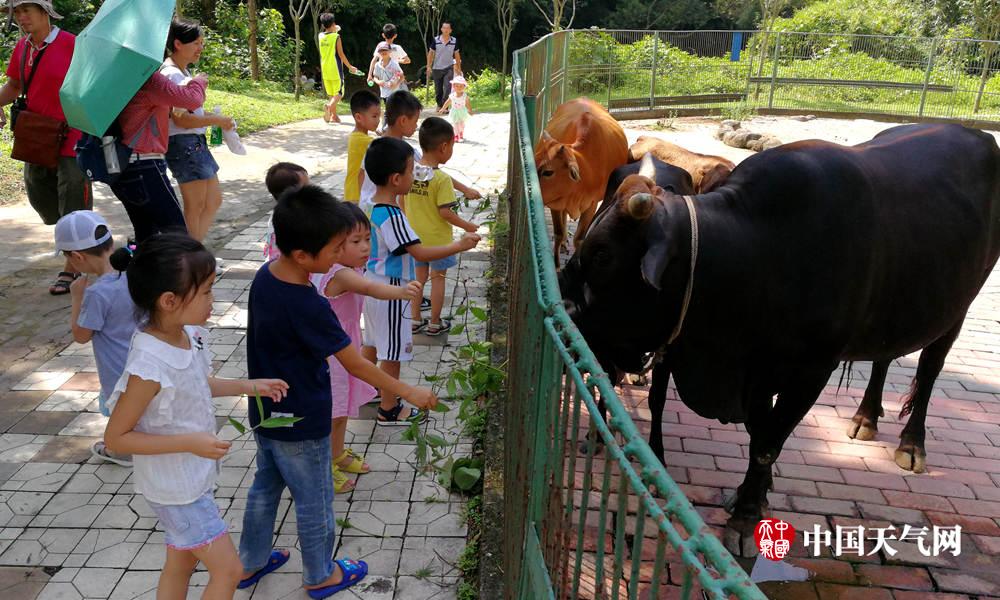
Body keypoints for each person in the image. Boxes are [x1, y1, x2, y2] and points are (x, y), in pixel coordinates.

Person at [241, 184, 437, 598]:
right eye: (333, 250)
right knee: (315, 498)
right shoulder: (310, 304)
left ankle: (250, 561)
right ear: (301, 256)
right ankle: (320, 574)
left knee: (265, 485)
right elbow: (355, 363)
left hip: (265, 409)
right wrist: (408, 391)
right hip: (303, 417)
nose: (337, 257)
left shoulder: (264, 278)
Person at [103, 232, 289, 599]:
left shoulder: (188, 334)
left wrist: (250, 386)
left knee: (182, 560)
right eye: (205, 291)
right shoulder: (148, 364)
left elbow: (197, 384)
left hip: (188, 480)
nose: (212, 299)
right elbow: (115, 438)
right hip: (176, 489)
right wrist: (190, 441)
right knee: (229, 570)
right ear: (169, 300)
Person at [362, 137, 478, 424]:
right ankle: (390, 407)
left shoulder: (369, 205)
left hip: (370, 286)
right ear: (396, 179)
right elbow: (419, 251)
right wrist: (459, 246)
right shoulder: (391, 215)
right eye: (412, 171)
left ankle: (365, 390)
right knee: (392, 352)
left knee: (373, 343)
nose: (415, 176)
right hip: (392, 290)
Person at [312, 202, 422, 492]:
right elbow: (372, 288)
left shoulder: (351, 267)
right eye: (356, 241)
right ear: (334, 245)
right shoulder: (338, 273)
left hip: (345, 347)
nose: (365, 246)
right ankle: (323, 468)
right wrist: (402, 291)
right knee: (334, 412)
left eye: (367, 238)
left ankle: (337, 454)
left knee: (342, 410)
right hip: (332, 355)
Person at [0, 0, 92, 295]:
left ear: (45, 13)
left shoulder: (72, 44)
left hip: (73, 134)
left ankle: (74, 267)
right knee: (39, 193)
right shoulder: (23, 48)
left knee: (73, 197)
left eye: (27, 10)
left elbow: (92, 85)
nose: (21, 17)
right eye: (17, 12)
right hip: (37, 135)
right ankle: (84, 242)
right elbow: (14, 87)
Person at [54, 211, 137, 467]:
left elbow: (81, 335)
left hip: (117, 367)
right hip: (147, 358)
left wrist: (77, 297)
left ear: (77, 257)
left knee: (121, 410)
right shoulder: (136, 272)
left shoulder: (97, 292)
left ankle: (123, 451)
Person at [161, 18, 235, 243]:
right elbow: (181, 118)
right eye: (196, 43)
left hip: (193, 144)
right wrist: (217, 120)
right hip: (183, 145)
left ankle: (195, 252)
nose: (200, 48)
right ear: (178, 44)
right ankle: (190, 259)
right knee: (196, 206)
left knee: (212, 201)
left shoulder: (181, 72)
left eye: (201, 43)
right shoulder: (172, 74)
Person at [112, 70, 206, 243]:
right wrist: (198, 81)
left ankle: (143, 270)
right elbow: (192, 100)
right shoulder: (147, 77)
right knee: (177, 234)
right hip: (144, 166)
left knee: (147, 234)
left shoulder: (116, 76)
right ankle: (188, 269)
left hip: (121, 165)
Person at [405, 117, 478, 336]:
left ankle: (415, 320)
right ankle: (435, 322)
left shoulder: (410, 173)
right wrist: (468, 226)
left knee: (418, 280)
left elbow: (402, 202)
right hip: (438, 242)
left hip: (415, 239)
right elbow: (445, 212)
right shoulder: (442, 179)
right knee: (438, 279)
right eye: (452, 146)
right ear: (444, 147)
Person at [318, 13, 360, 124]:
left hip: (325, 69)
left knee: (332, 94)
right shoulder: (336, 37)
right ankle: (329, 106)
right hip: (335, 69)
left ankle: (334, 116)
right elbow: (341, 54)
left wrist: (334, 29)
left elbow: (329, 35)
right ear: (333, 24)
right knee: (339, 93)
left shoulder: (320, 36)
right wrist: (350, 67)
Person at [262, 162, 309, 262]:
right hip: (290, 267)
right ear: (289, 194)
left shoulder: (282, 212)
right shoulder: (293, 219)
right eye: (306, 187)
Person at [344, 90, 379, 205]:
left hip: (353, 192)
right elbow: (383, 147)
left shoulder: (357, 136)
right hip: (357, 195)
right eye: (374, 116)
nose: (378, 120)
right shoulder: (363, 140)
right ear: (358, 117)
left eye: (379, 116)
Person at [426, 22, 461, 109]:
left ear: (450, 30)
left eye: (447, 28)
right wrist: (428, 66)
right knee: (438, 90)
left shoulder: (454, 41)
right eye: (444, 28)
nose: (445, 30)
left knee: (448, 87)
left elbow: (457, 54)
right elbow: (430, 53)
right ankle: (439, 105)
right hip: (436, 68)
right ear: (441, 29)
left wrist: (459, 68)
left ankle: (444, 107)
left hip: (449, 67)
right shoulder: (436, 40)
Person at [371, 42, 404, 132]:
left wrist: (396, 84)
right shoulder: (378, 65)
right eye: (381, 51)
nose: (383, 52)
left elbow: (401, 76)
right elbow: (375, 77)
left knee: (389, 110)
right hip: (384, 92)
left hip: (394, 92)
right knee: (391, 110)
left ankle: (384, 129)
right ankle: (394, 127)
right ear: (378, 53)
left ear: (389, 51)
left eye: (385, 50)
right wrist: (378, 82)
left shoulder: (394, 64)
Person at [366, 23, 410, 90]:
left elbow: (374, 60)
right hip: (396, 76)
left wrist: (369, 75)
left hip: (384, 77)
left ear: (383, 35)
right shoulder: (397, 48)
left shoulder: (380, 46)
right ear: (395, 36)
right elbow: (408, 60)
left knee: (388, 96)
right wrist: (397, 60)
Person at [438, 75, 472, 142]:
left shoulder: (465, 96)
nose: (459, 88)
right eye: (457, 86)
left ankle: (461, 133)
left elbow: (467, 103)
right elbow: (447, 102)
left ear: (464, 87)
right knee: (455, 124)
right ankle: (456, 135)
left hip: (462, 112)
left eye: (461, 86)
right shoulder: (452, 95)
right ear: (453, 86)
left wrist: (470, 110)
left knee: (461, 124)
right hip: (454, 112)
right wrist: (443, 108)